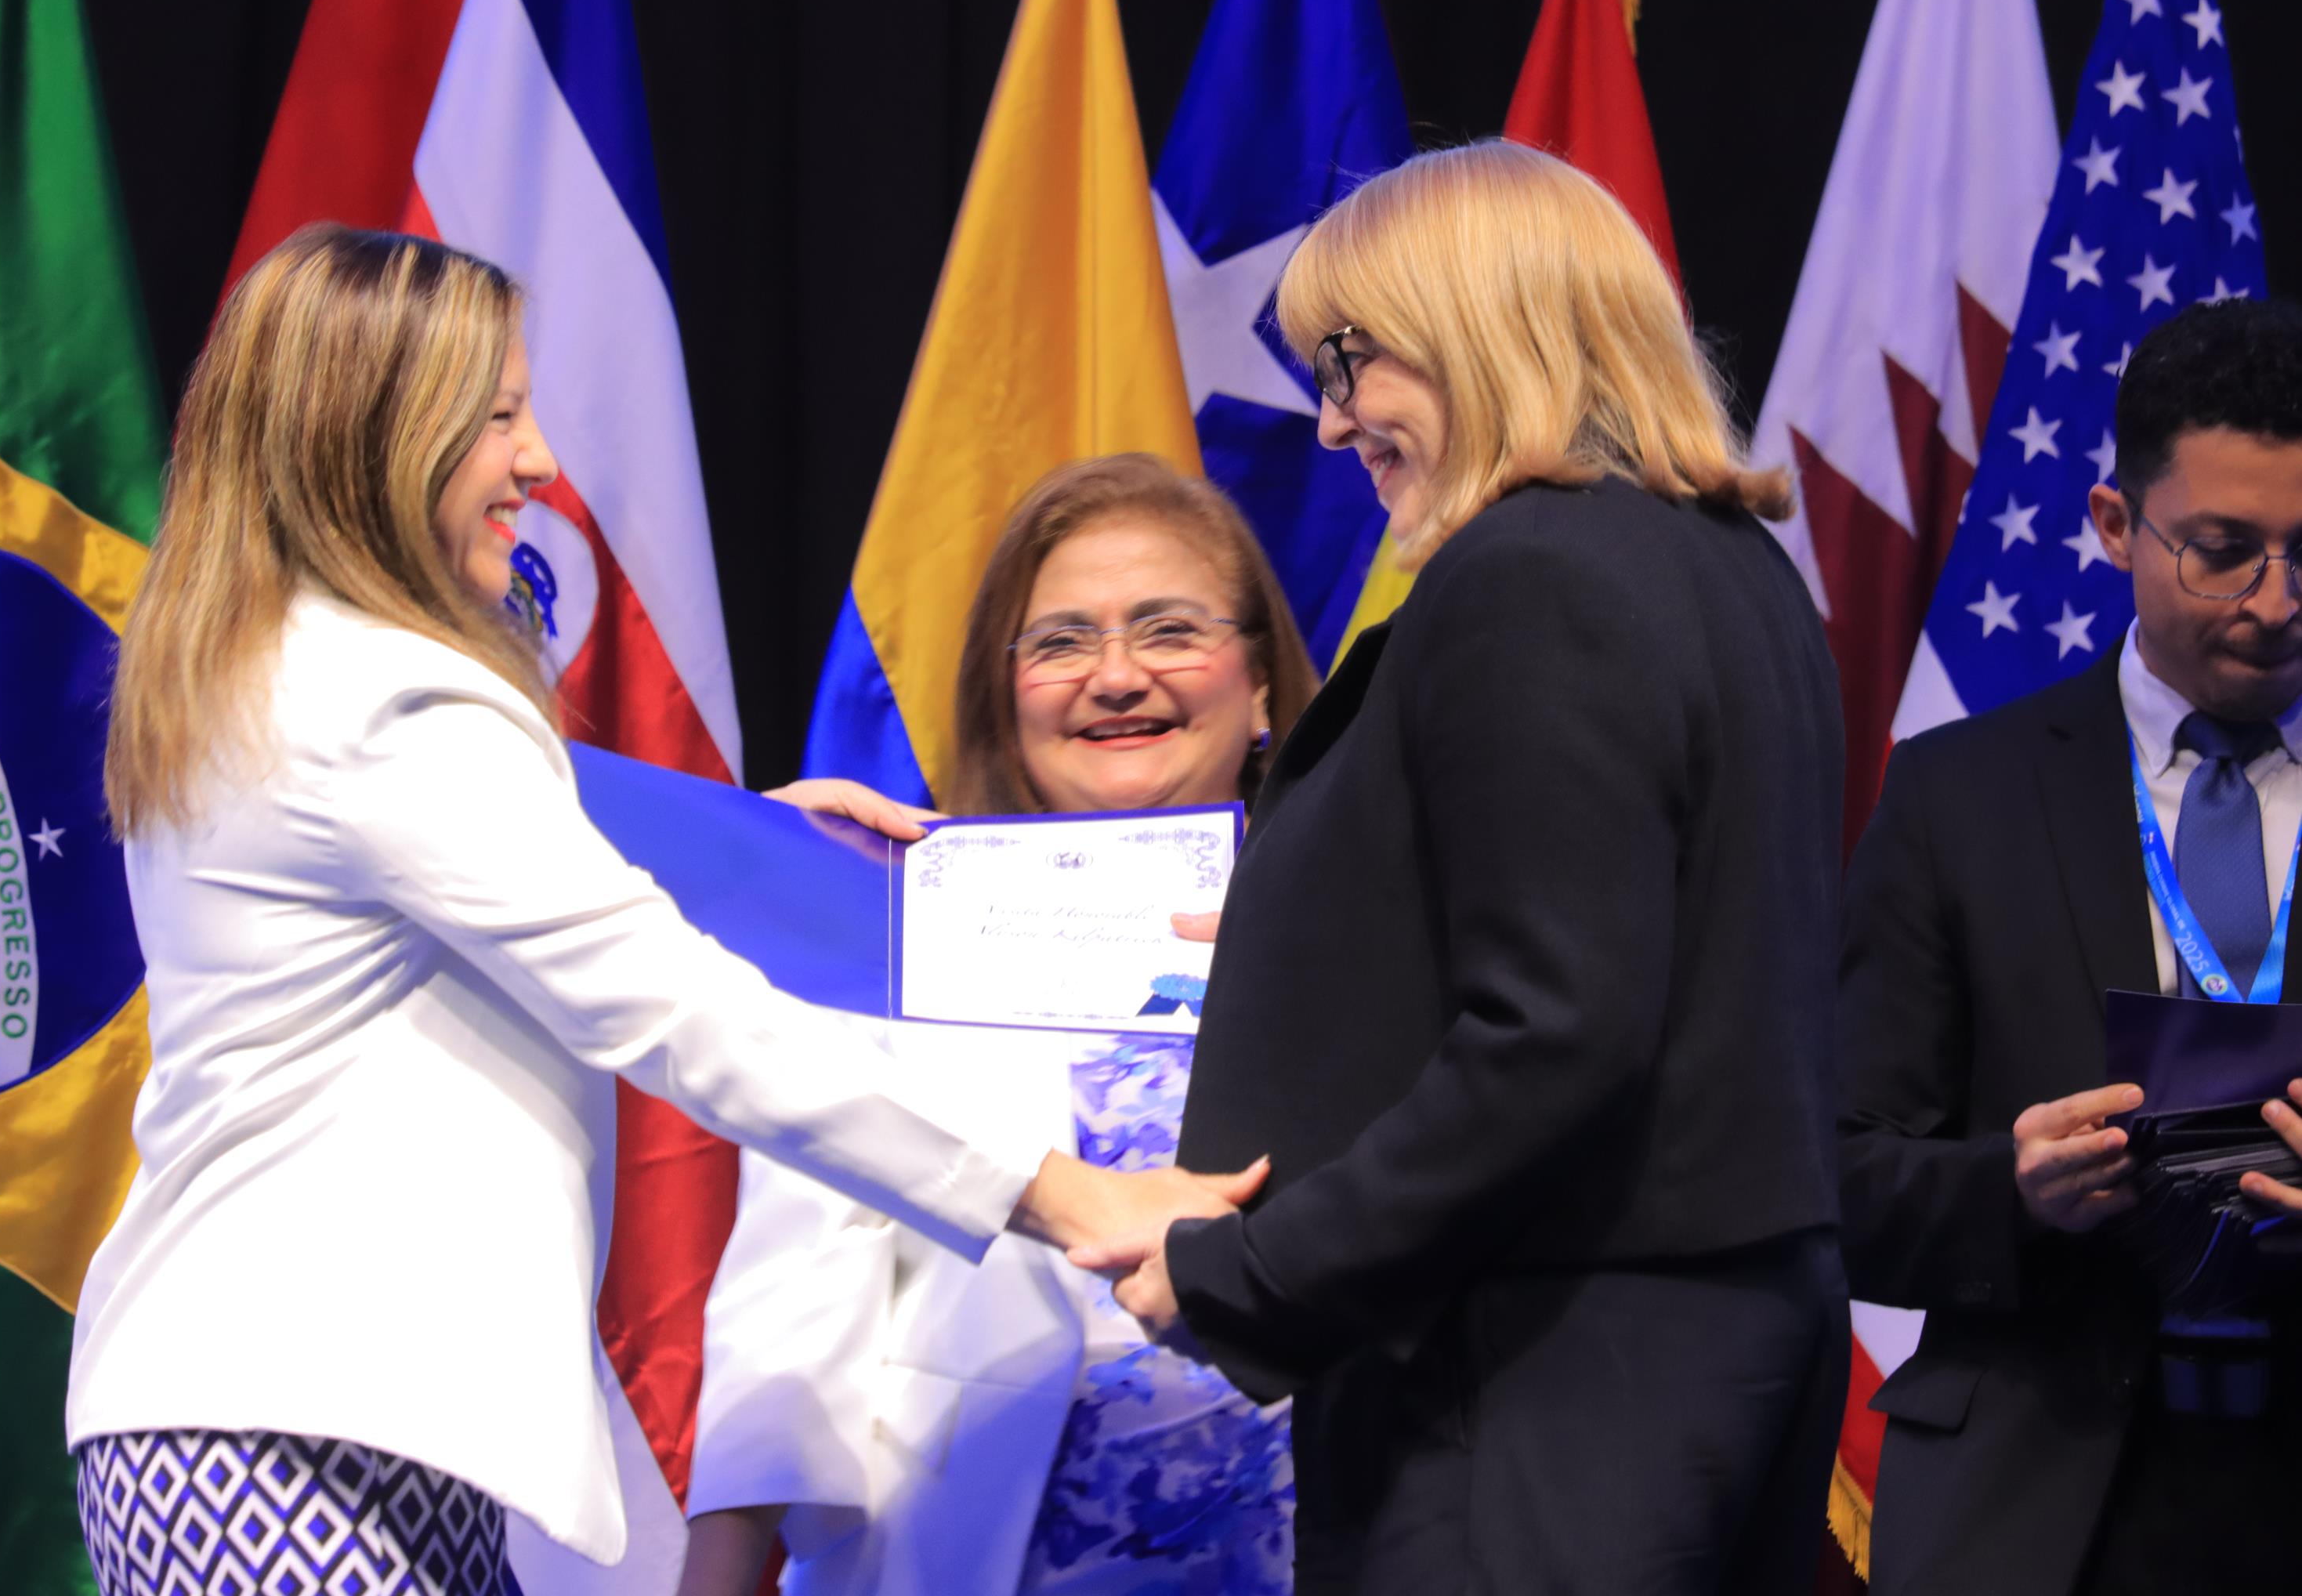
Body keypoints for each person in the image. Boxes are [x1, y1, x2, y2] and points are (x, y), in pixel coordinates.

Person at [63, 228, 1260, 1596]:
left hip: (281, 1422)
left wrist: (763, 844)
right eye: (498, 416)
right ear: (379, 439)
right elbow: (675, 1010)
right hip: (294, 1428)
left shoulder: (292, 682)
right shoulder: (386, 705)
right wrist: (1072, 1196)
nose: (538, 462)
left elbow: (491, 874)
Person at [1072, 139, 1852, 1594]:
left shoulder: (1532, 575)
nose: (1329, 424)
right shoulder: (1736, 570)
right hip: (1713, 1354)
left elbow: (1555, 1035)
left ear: (1472, 320)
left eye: (1349, 360)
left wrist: (1257, 1269)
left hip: (1543, 1377)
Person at [680, 453, 1322, 1596]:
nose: (1115, 676)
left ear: (1263, 684)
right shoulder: (907, 929)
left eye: (1169, 630)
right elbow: (792, 1301)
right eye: (1062, 642)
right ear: (1005, 693)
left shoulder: (1367, 929)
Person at [1835, 297, 2302, 1596]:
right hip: (2034, 1512)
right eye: (2225, 553)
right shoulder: (1954, 797)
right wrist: (2013, 1189)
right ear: (2113, 525)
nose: (2277, 603)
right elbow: (1833, 1172)